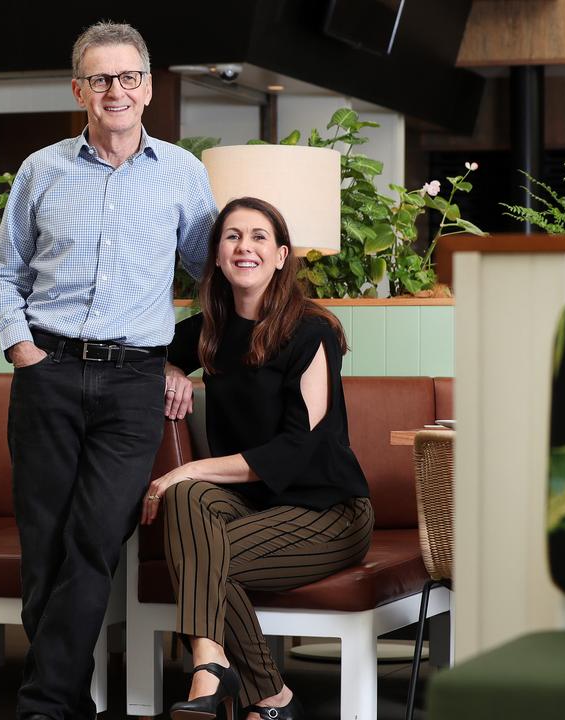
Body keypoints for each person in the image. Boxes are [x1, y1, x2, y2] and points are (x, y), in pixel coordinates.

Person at [0, 20, 216, 720]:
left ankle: (43, 706)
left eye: (129, 77)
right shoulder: (41, 170)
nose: (116, 90)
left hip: (132, 385)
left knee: (93, 538)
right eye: (101, 78)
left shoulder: (183, 173)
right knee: (45, 550)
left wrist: (178, 361)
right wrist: (24, 352)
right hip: (47, 373)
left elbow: (214, 281)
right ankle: (62, 704)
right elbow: (2, 274)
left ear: (148, 87)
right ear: (78, 88)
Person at [141, 197, 374, 720]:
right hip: (255, 508)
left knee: (201, 546)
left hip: (328, 513)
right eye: (232, 237)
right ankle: (243, 679)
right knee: (189, 500)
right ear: (218, 259)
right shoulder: (209, 331)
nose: (244, 246)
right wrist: (171, 372)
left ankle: (245, 686)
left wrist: (190, 466)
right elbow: (143, 360)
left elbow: (298, 447)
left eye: (259, 237)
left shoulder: (312, 333)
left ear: (281, 255)